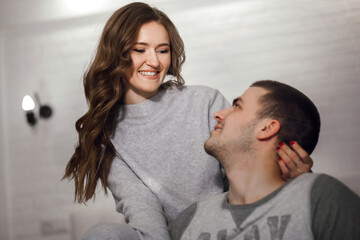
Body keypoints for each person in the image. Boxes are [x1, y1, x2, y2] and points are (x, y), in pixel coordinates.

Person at [62, 2, 313, 240]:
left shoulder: (205, 100)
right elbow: (143, 210)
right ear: (116, 54)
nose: (155, 61)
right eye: (140, 50)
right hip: (167, 234)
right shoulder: (109, 137)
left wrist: (298, 180)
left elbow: (246, 170)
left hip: (223, 225)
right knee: (104, 235)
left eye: (163, 50)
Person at [170, 80, 360, 240]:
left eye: (237, 106)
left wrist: (300, 190)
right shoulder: (189, 221)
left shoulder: (321, 199)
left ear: (267, 128)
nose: (218, 114)